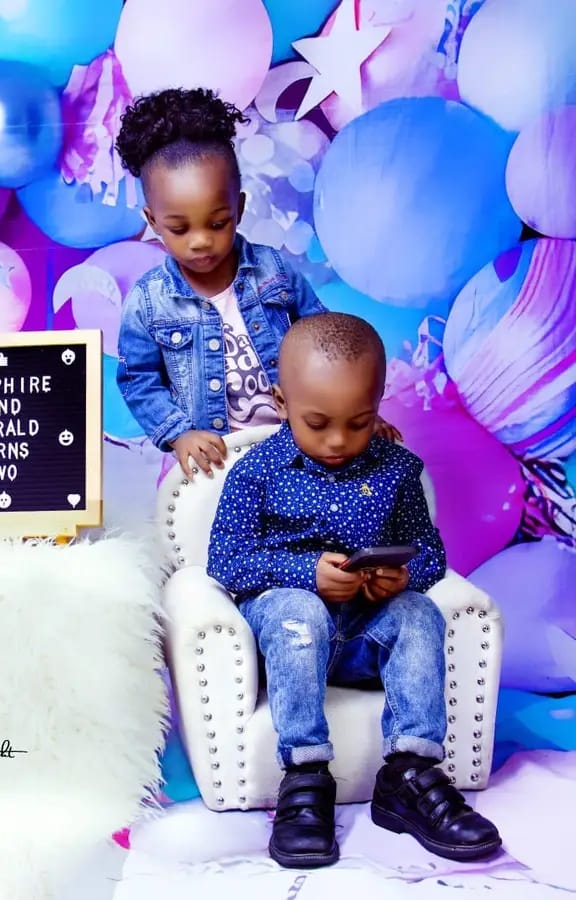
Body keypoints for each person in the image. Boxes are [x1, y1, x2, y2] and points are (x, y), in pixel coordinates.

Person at [207, 312, 502, 869]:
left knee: (417, 612)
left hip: (365, 632)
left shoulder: (397, 470)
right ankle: (305, 778)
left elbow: (429, 553)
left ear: (377, 403)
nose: (339, 440)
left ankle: (409, 775)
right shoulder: (256, 472)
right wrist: (306, 572)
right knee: (297, 611)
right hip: (292, 641)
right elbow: (225, 560)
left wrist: (402, 577)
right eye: (317, 423)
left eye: (359, 422)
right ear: (282, 401)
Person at [114, 87, 400, 478]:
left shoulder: (274, 270)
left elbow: (332, 349)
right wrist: (179, 434)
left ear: (239, 207)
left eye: (218, 223)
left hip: (297, 450)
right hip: (214, 462)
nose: (201, 241)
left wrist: (355, 417)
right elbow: (138, 380)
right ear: (152, 220)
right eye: (179, 229)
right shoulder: (149, 301)